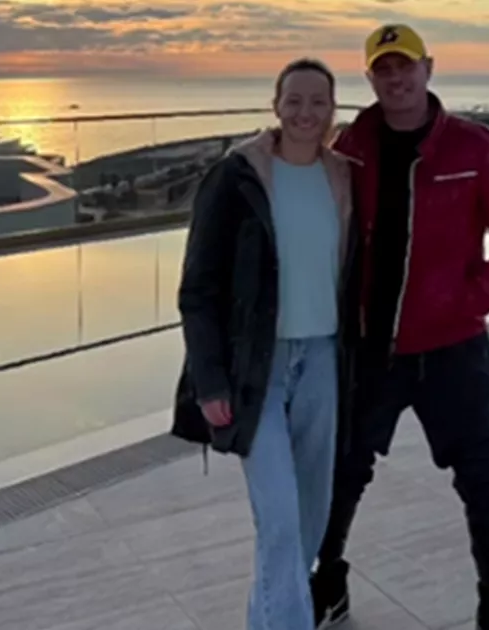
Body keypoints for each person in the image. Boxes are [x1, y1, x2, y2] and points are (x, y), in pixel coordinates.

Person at [310, 24, 489, 630]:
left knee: (485, 474)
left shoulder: (474, 147)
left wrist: (469, 301)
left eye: (406, 66)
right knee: (343, 470)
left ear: (428, 68)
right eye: (384, 69)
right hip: (371, 350)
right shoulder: (349, 148)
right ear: (371, 78)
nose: (397, 79)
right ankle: (328, 580)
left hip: (453, 349)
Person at [172, 58, 357, 630]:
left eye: (318, 102)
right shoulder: (237, 176)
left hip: (322, 360)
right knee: (279, 521)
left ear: (333, 109)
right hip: (257, 369)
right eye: (294, 100)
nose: (306, 112)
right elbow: (198, 287)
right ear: (275, 105)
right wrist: (210, 380)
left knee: (308, 521)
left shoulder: (343, 177)